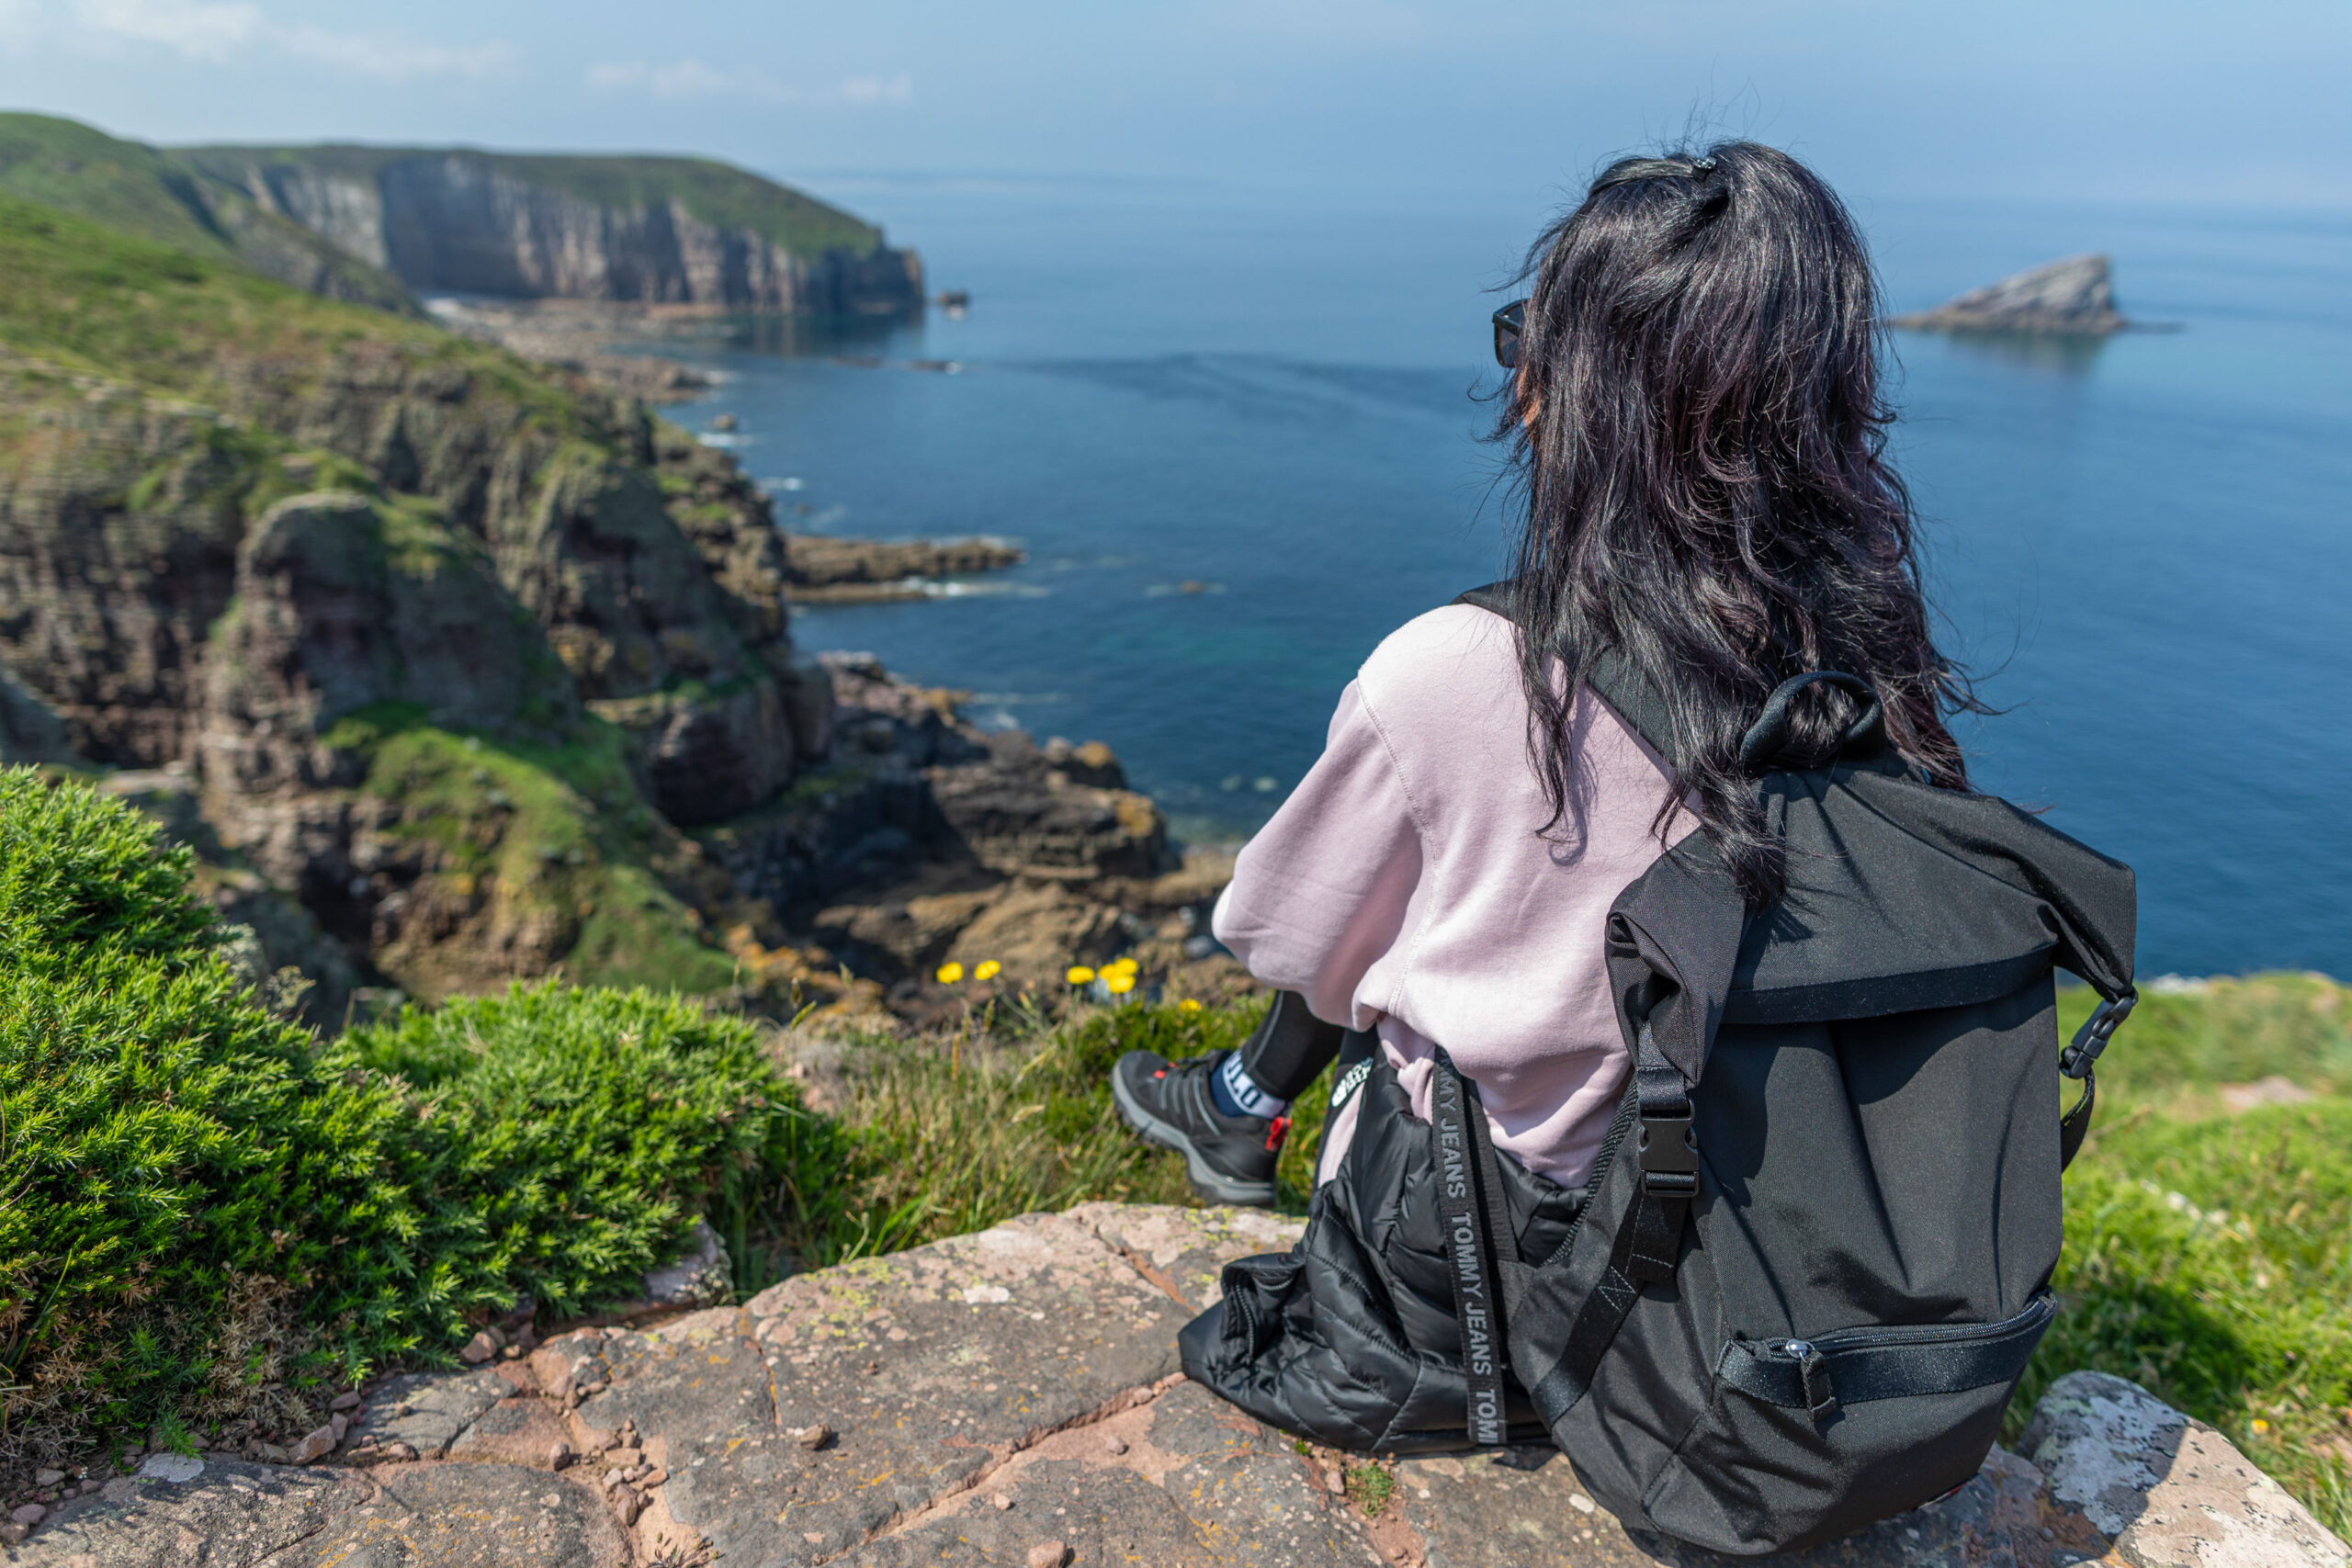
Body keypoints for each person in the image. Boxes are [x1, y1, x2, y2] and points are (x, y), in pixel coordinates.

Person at [1113, 139, 1976, 1212]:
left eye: (1528, 340)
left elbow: (1274, 933)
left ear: (1567, 396)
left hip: (1503, 1272)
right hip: (1778, 1241)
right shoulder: (1863, 675)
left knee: (1390, 918)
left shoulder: (1460, 670)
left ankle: (1244, 1104)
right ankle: (1241, 1104)